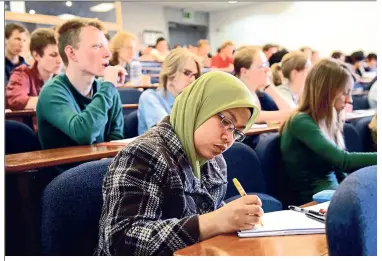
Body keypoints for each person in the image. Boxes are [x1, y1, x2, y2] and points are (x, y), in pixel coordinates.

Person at [96, 71, 263, 256]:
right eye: (226, 121)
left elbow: (210, 214)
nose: (228, 138)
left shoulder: (215, 162)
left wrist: (236, 218)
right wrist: (212, 222)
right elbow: (121, 241)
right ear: (199, 108)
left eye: (237, 132)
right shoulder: (144, 153)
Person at [279, 58, 377, 206]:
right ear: (326, 92)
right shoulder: (301, 122)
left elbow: (340, 170)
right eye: (345, 93)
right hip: (313, 201)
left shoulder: (327, 120)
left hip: (333, 194)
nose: (349, 99)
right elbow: (344, 161)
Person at [36, 18, 125, 155]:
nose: (108, 53)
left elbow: (116, 140)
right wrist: (108, 87)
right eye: (97, 46)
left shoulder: (107, 88)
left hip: (102, 169)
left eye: (106, 46)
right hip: (67, 174)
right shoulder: (52, 91)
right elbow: (84, 134)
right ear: (72, 53)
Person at [138, 48, 201, 135]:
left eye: (195, 75)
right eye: (187, 73)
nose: (193, 80)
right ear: (170, 72)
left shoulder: (191, 103)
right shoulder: (149, 97)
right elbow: (167, 133)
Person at [234, 46, 295, 124]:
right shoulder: (235, 93)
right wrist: (285, 114)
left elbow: (290, 110)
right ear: (244, 72)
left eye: (267, 64)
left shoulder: (260, 94)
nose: (268, 69)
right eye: (262, 66)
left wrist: (269, 87)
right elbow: (253, 116)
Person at [6, 28, 62, 110]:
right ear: (36, 55)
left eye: (62, 55)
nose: (59, 60)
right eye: (53, 55)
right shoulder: (22, 74)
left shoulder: (61, 79)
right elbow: (16, 100)